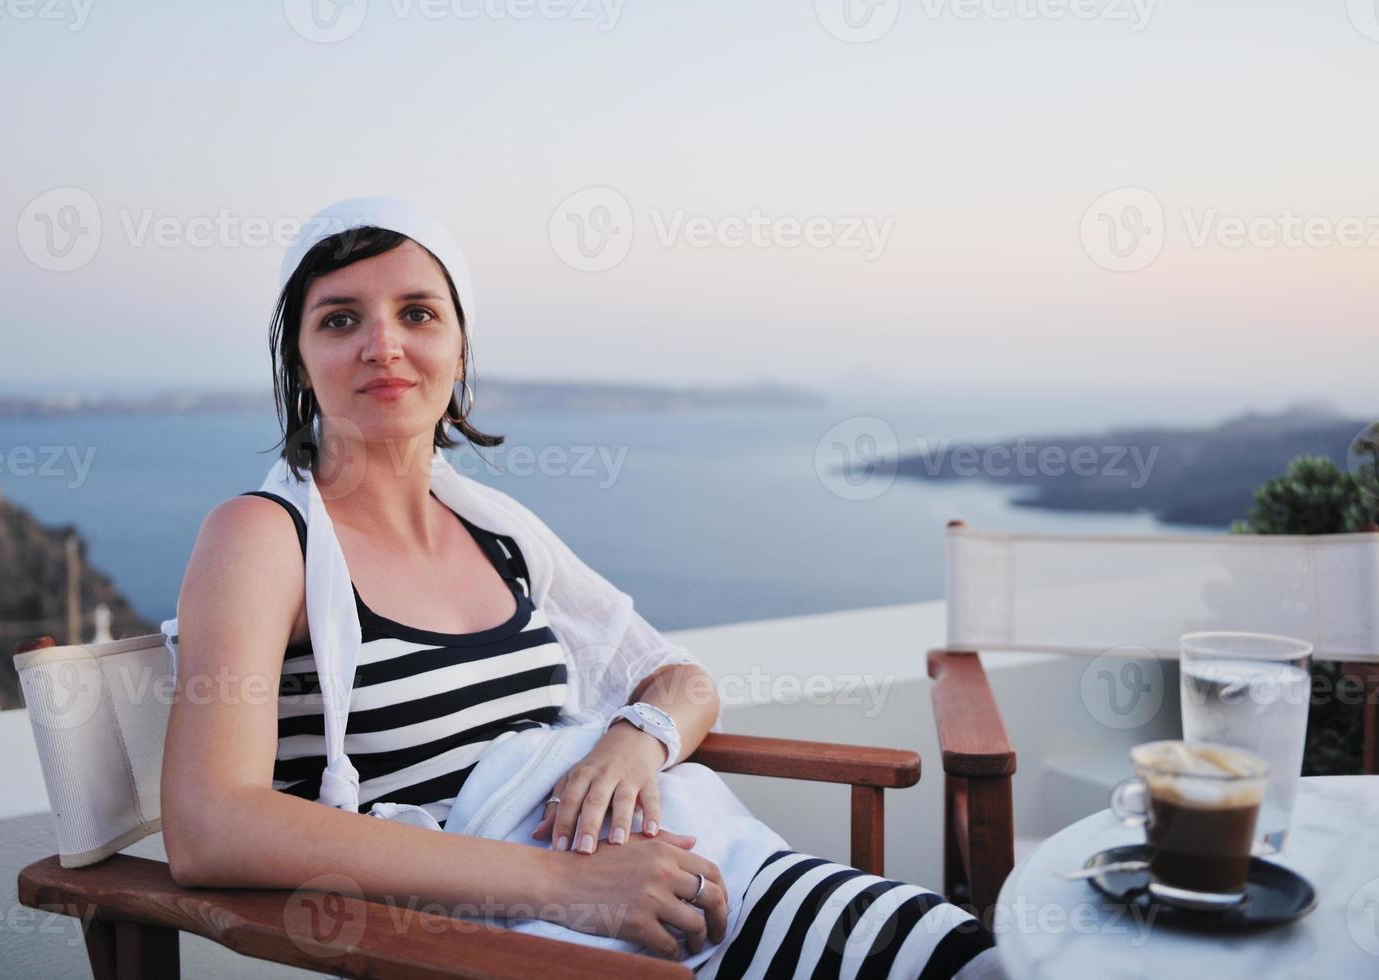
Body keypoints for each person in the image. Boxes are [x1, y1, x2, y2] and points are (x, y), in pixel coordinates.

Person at [160, 197, 1001, 979]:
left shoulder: (497, 534)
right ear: (301, 361)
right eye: (341, 319)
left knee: (971, 956)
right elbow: (210, 825)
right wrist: (564, 887)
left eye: (417, 313)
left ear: (459, 349)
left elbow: (678, 681)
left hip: (696, 874)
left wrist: (632, 742)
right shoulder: (266, 537)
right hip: (501, 942)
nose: (383, 345)